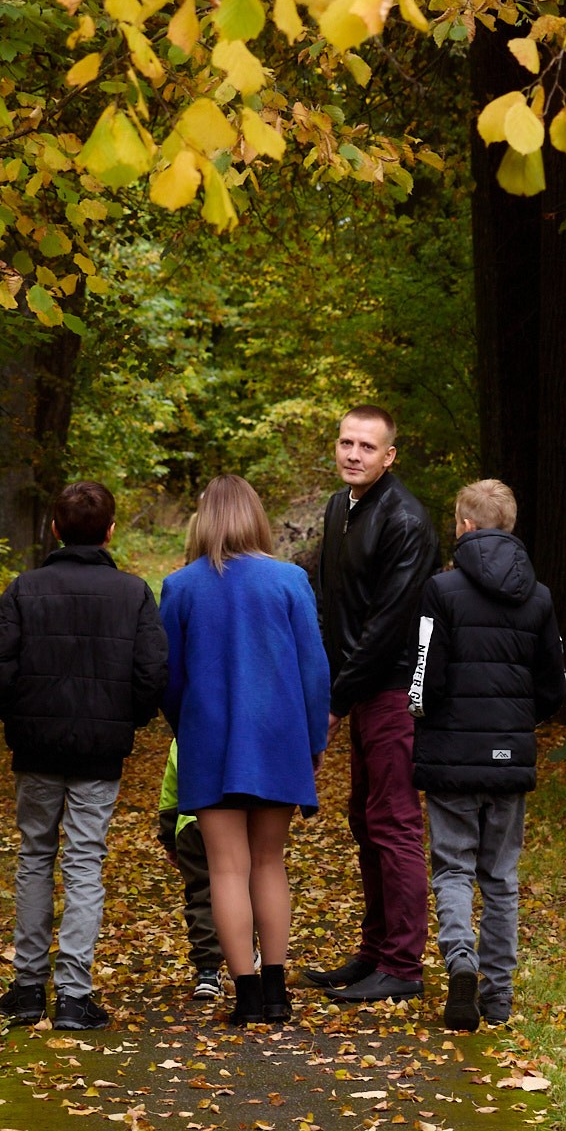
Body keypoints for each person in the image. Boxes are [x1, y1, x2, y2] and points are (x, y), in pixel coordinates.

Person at [0, 481, 167, 1031]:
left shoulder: (25, 589)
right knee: (85, 862)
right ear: (110, 532)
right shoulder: (133, 593)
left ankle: (28, 988)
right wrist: (124, 720)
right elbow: (152, 673)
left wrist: (21, 716)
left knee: (35, 855)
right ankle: (74, 997)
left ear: (54, 529)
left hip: (37, 749)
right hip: (99, 752)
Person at [160, 475, 331, 1026]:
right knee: (268, 861)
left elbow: (169, 678)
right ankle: (279, 994)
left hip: (210, 738)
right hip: (279, 738)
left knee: (225, 869)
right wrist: (314, 740)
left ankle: (247, 997)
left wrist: (186, 725)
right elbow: (314, 671)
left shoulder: (181, 586)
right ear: (257, 516)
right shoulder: (289, 580)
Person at [407, 479, 566, 1030]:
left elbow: (423, 678)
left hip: (452, 755)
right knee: (500, 877)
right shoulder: (539, 596)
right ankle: (498, 996)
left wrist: (422, 719)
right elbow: (553, 685)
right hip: (510, 755)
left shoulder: (439, 591)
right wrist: (516, 726)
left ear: (464, 526)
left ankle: (460, 961)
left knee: (452, 868)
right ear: (510, 527)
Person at [304, 405, 439, 1004]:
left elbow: (387, 623)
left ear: (390, 457)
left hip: (390, 690)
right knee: (365, 818)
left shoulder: (406, 520)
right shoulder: (340, 508)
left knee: (394, 823)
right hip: (357, 687)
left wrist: (337, 698)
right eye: (345, 443)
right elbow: (334, 608)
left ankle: (403, 966)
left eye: (367, 446)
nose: (353, 454)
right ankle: (374, 953)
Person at [157, 738, 225, 1001]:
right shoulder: (247, 721)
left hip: (191, 822)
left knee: (202, 894)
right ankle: (245, 954)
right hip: (237, 819)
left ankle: (208, 970)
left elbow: (170, 790)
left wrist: (168, 837)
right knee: (244, 887)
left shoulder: (185, 733)